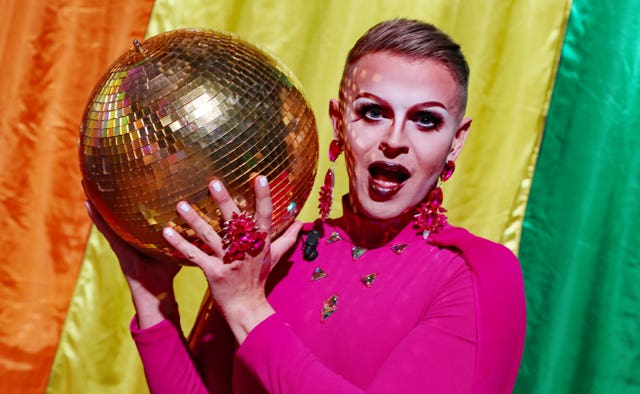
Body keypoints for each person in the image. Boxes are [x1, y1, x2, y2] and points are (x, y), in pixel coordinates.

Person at [87, 18, 526, 393]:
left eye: (425, 120)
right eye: (373, 112)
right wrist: (154, 296)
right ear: (338, 122)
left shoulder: (475, 273)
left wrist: (247, 309)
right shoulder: (277, 250)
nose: (394, 140)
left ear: (456, 141)